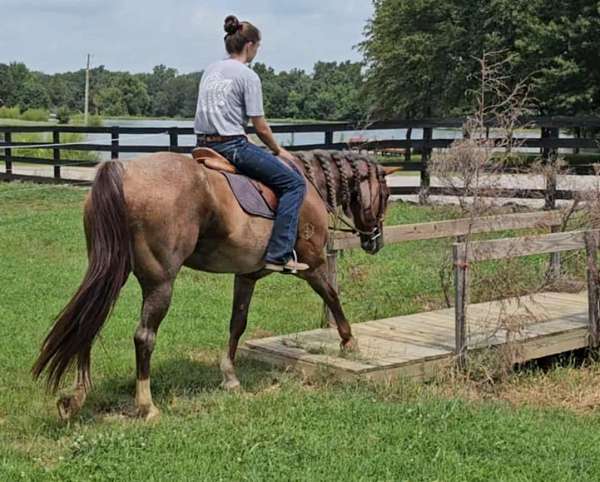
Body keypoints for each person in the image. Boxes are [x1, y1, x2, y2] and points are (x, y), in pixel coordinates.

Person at [194, 15, 309, 273]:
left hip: (203, 144)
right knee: (294, 183)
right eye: (258, 47)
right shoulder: (247, 76)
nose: (257, 51)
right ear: (250, 45)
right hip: (232, 146)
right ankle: (279, 255)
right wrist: (279, 150)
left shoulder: (210, 70)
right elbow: (260, 125)